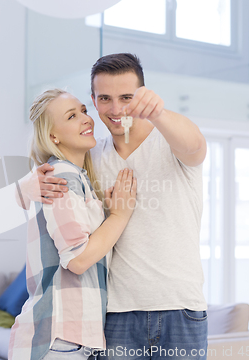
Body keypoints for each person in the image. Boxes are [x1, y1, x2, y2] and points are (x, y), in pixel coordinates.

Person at [19, 53, 208, 360]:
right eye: (105, 98)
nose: (116, 109)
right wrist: (26, 185)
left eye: (127, 98)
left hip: (180, 308)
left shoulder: (170, 142)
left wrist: (159, 113)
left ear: (143, 97)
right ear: (93, 100)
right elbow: (54, 175)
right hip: (115, 314)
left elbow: (195, 145)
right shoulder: (90, 157)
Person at [8, 88, 137, 360]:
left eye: (83, 111)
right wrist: (120, 216)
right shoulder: (60, 176)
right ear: (53, 135)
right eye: (71, 116)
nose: (85, 119)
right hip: (59, 341)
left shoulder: (78, 177)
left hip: (70, 340)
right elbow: (77, 259)